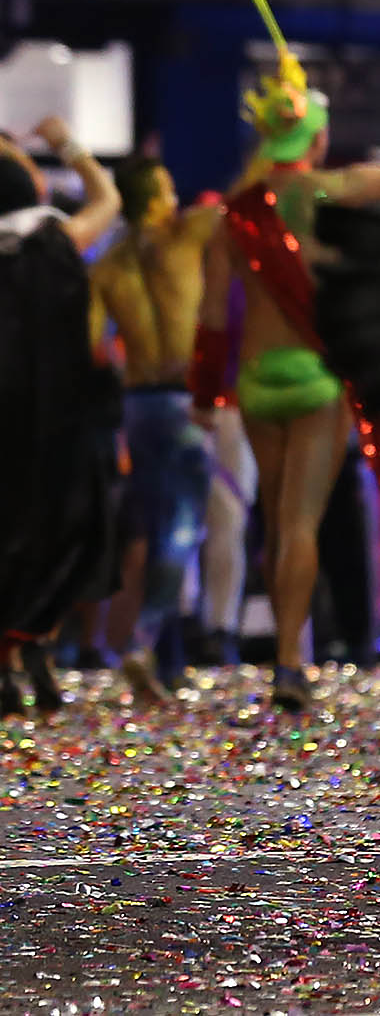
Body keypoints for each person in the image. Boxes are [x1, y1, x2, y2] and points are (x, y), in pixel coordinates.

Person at [193, 60, 380, 710]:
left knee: (275, 522)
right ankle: (292, 665)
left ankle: (283, 654)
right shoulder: (334, 191)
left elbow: (212, 316)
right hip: (315, 377)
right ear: (319, 140)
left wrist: (203, 396)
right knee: (302, 523)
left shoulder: (231, 215)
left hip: (255, 379)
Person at [0, 124, 122, 712]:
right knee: (58, 537)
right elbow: (108, 201)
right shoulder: (61, 239)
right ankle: (41, 644)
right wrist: (71, 147)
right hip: (61, 425)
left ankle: (3, 664)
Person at [90, 156, 224, 699]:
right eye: (168, 188)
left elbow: (92, 347)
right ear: (156, 196)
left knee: (152, 526)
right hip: (182, 403)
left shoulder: (108, 264)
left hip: (137, 407)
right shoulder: (185, 235)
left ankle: (167, 660)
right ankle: (143, 643)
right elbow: (246, 194)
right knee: (183, 528)